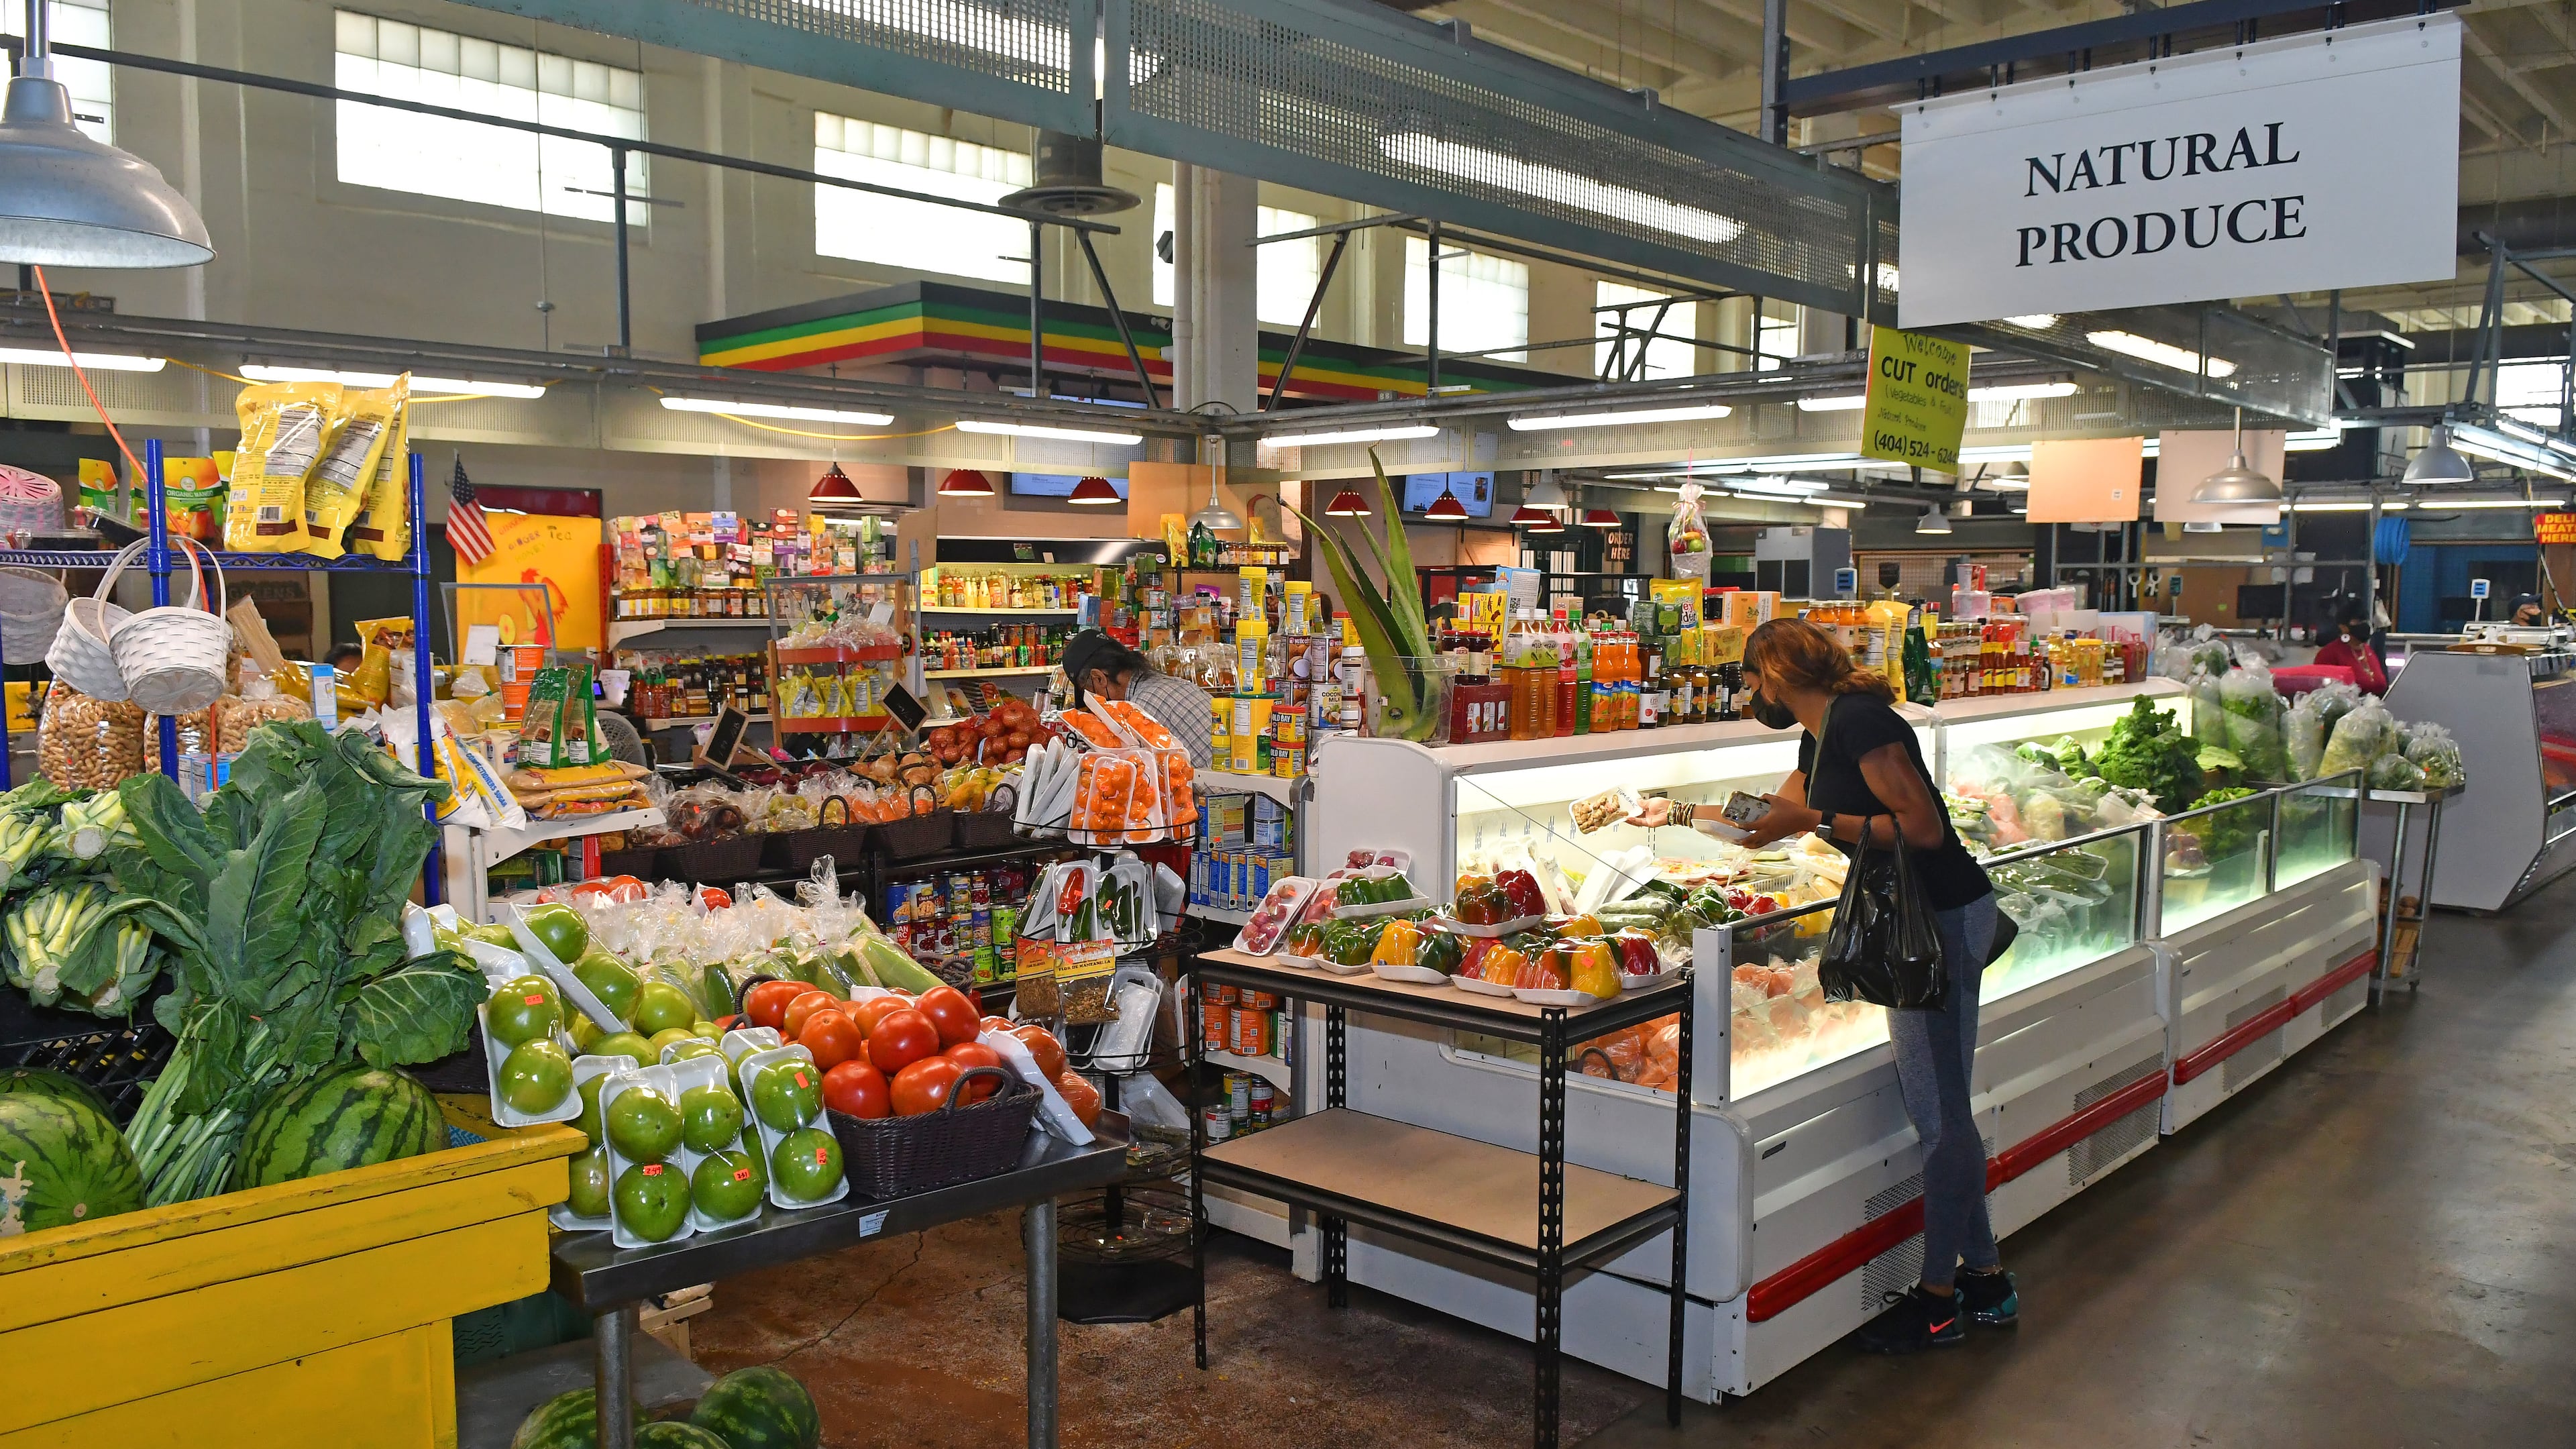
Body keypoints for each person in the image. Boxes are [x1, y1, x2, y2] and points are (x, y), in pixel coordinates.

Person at [1629, 617, 2015, 1352]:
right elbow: (1765, 819)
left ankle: (1939, 1299)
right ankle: (1989, 1281)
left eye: (1750, 680)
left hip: (1937, 922)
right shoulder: (1819, 733)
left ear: (1775, 676)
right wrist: (1669, 811)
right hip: (1910, 922)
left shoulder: (1862, 722)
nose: (1749, 695)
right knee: (1941, 1109)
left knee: (1940, 1116)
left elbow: (1923, 830)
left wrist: (1817, 819)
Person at [1060, 628, 1214, 769]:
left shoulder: (1140, 708)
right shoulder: (1170, 683)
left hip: (1212, 790)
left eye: (1090, 693)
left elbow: (1137, 772)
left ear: (1099, 678)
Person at [2311, 610, 2389, 695]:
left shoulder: (2367, 650)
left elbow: (2381, 683)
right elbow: (2322, 691)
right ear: (2343, 627)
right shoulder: (2328, 654)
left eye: (2365, 621)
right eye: (2358, 622)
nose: (2363, 625)